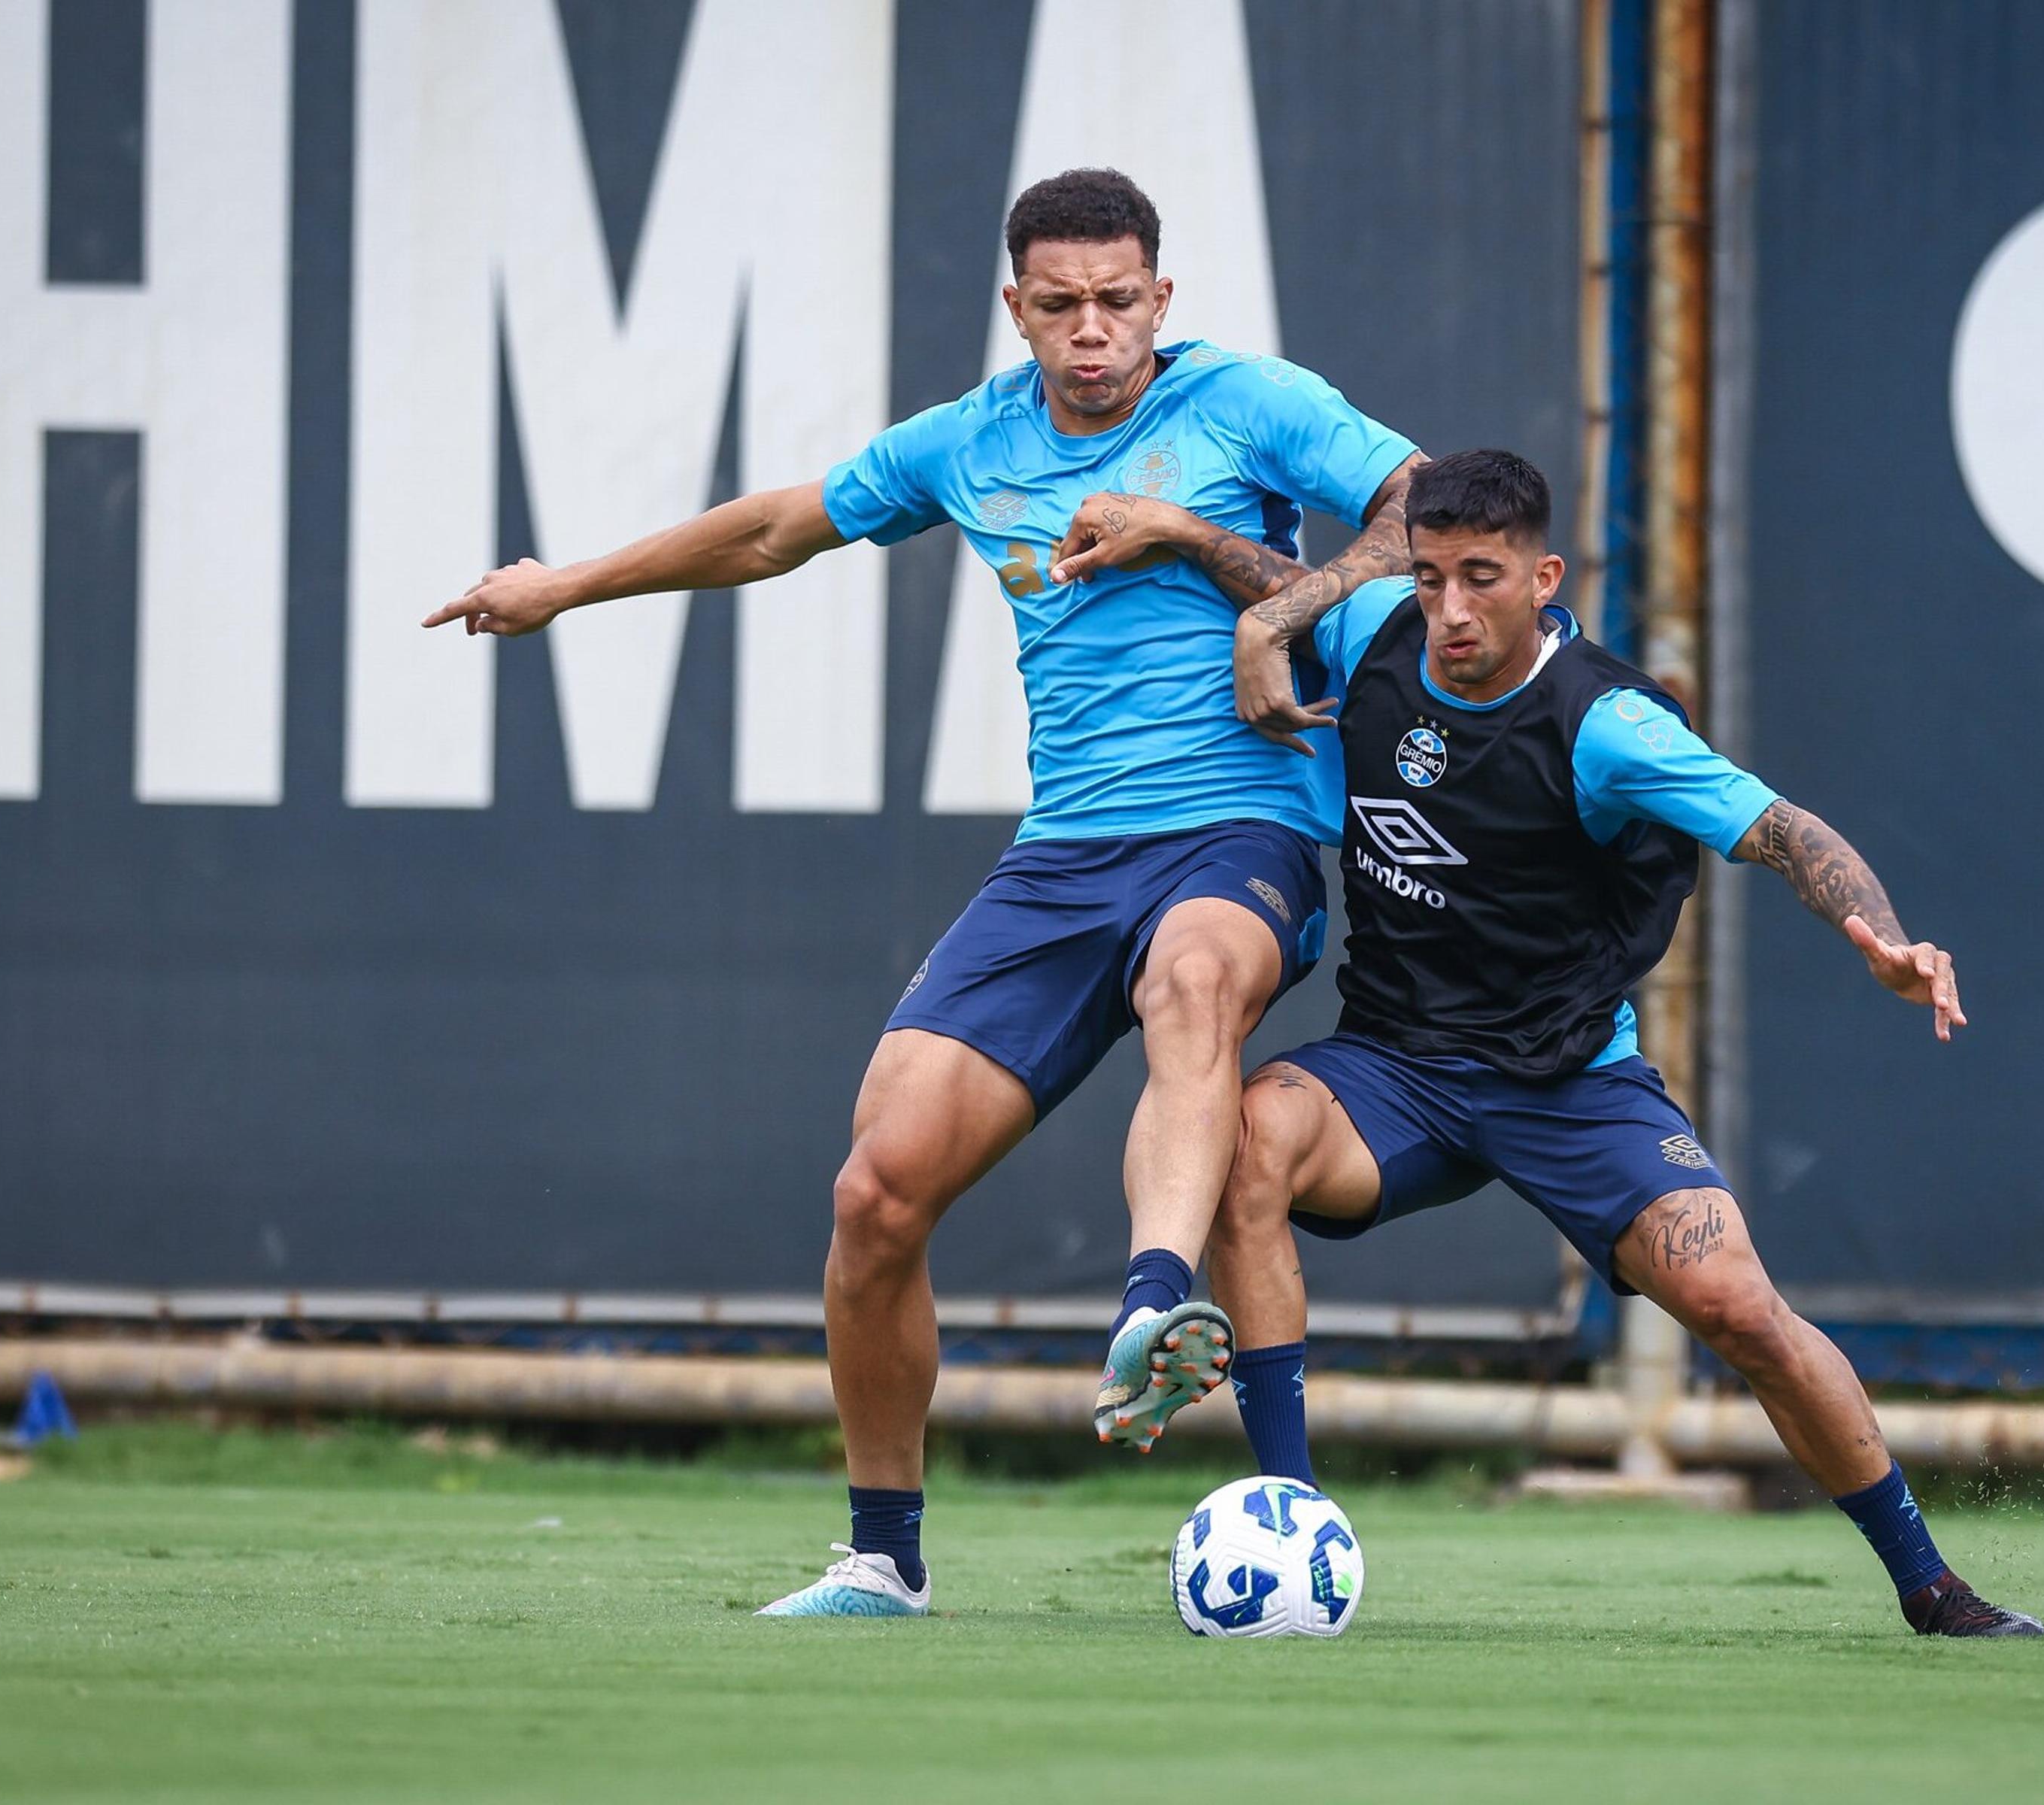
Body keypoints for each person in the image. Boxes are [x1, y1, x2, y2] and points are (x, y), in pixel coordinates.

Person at [422, 169, 1418, 1618]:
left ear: (1164, 297)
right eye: (1061, 305)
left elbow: (1421, 512)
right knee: (876, 1194)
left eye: (1120, 300)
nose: (1095, 331)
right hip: (1063, 858)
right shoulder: (970, 443)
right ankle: (883, 1557)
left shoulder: (1251, 403)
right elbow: (777, 530)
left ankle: (1150, 1298)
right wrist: (566, 586)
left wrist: (1272, 603)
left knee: (1192, 984)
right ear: (1016, 308)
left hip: (1237, 831)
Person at [1140, 447, 2044, 1637]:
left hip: (1569, 1082)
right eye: (1429, 580)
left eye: (1482, 578)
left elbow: (1787, 832)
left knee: (1741, 1313)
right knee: (1244, 1136)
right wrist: (1172, 529)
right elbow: (1275, 571)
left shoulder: (1609, 726)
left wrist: (1883, 937)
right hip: (1397, 1070)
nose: (1451, 610)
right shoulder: (1375, 636)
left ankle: (1932, 1587)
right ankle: (1293, 1517)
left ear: (1543, 575)